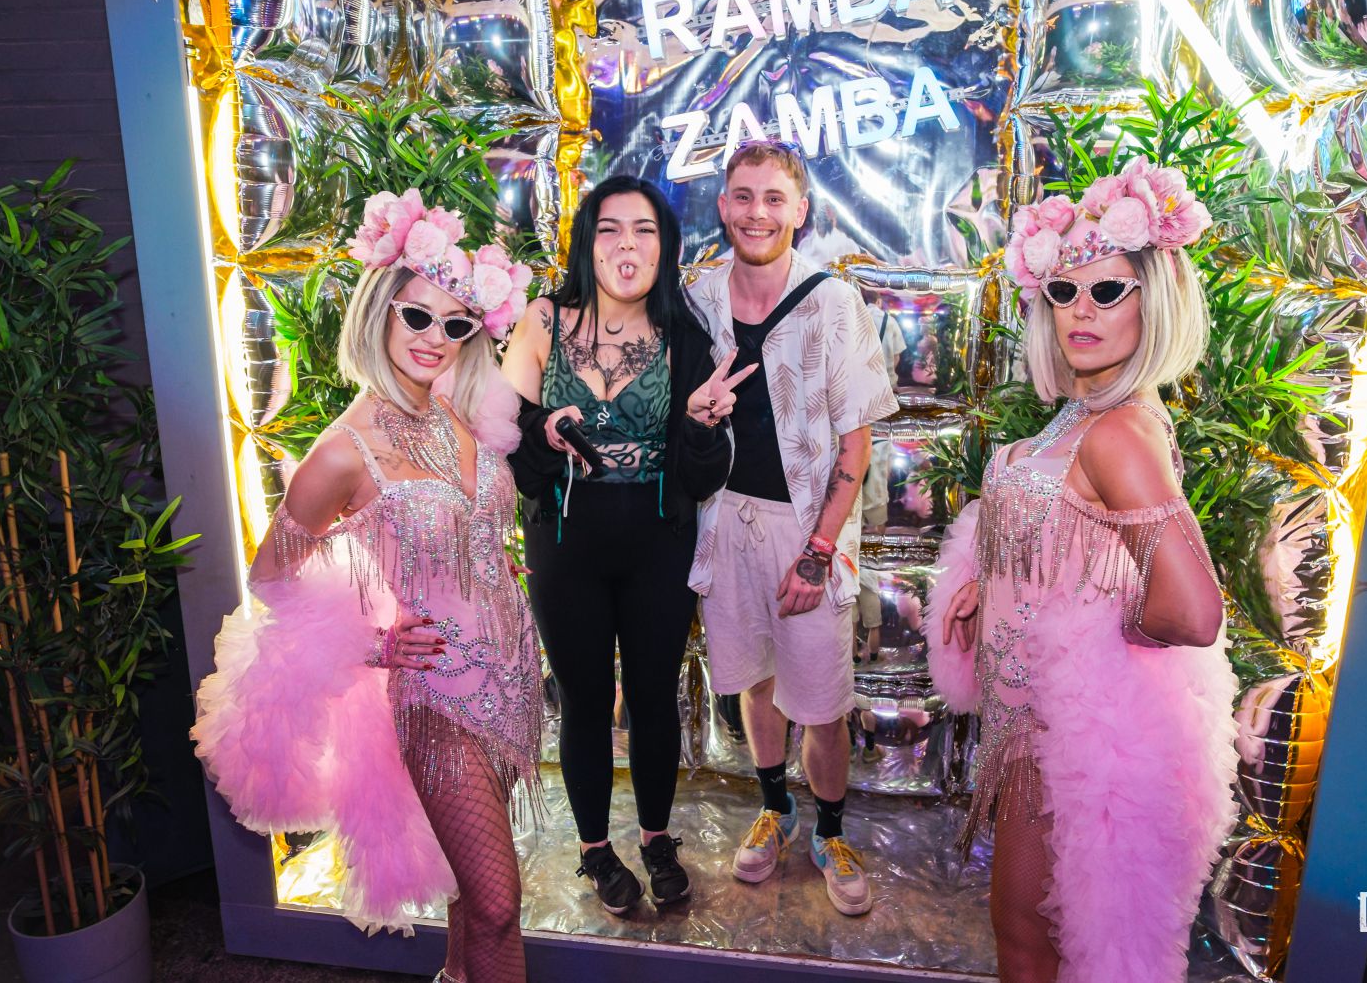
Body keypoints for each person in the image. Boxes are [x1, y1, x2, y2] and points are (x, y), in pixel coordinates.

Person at [193, 188, 542, 983]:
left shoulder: (456, 410)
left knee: (472, 893)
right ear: (381, 310)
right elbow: (270, 576)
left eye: (455, 325)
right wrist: (378, 644)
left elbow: (475, 524)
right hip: (438, 696)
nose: (434, 338)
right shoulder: (343, 451)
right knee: (499, 904)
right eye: (417, 315)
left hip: (512, 678)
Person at [923, 159, 1239, 982]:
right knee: (1032, 937)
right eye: (1064, 292)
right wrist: (994, 583)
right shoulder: (1083, 412)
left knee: (1028, 942)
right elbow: (1072, 537)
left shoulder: (1119, 433)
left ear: (1152, 300)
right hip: (1028, 724)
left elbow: (1193, 612)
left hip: (1060, 738)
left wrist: (1097, 636)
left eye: (1108, 291)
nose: (1082, 311)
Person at [503, 175, 751, 914]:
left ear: (664, 247)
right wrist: (542, 430)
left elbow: (703, 477)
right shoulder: (542, 320)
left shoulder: (685, 336)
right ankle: (594, 851)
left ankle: (655, 838)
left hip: (657, 546)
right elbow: (502, 435)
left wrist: (701, 428)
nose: (627, 244)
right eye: (610, 228)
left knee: (652, 695)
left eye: (644, 230)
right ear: (587, 242)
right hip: (563, 545)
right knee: (582, 699)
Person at [686, 139, 899, 916]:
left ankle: (832, 831)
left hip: (807, 529)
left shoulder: (832, 303)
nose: (757, 213)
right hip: (724, 523)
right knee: (755, 679)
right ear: (723, 207)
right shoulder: (698, 298)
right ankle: (775, 808)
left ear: (801, 211)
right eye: (743, 196)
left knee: (822, 700)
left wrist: (817, 553)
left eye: (774, 198)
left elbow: (856, 446)